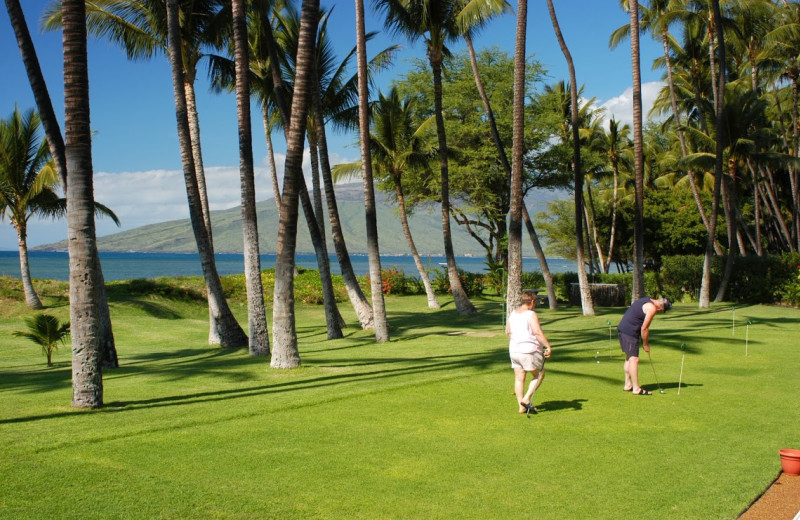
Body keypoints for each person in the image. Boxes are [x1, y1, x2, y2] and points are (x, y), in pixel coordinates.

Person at [507, 290, 552, 414]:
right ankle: (526, 399)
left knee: (519, 378)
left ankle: (521, 406)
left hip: (514, 350)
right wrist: (547, 345)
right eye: (535, 302)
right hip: (528, 351)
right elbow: (537, 332)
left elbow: (508, 332)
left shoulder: (513, 314)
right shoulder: (531, 314)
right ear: (532, 301)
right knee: (539, 374)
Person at [617, 296, 671, 395]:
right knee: (634, 359)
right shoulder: (652, 308)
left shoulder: (647, 299)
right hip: (629, 332)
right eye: (662, 310)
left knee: (629, 357)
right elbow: (644, 329)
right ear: (661, 308)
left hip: (623, 329)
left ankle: (628, 384)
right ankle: (636, 388)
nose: (659, 311)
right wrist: (645, 344)